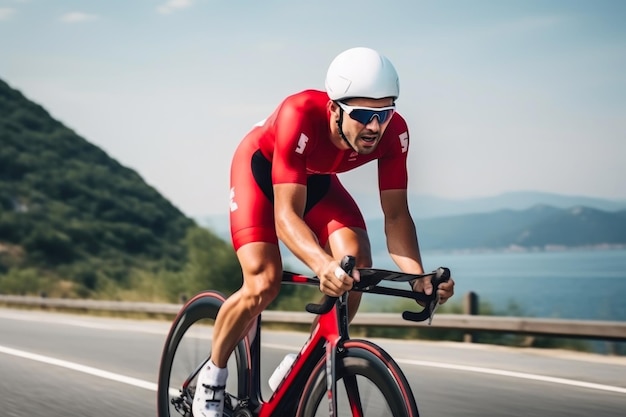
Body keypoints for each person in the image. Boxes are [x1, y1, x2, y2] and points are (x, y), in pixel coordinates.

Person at [192, 46, 456, 417]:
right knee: (263, 281)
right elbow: (286, 217)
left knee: (356, 263)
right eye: (363, 115)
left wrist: (418, 278)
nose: (375, 127)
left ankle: (307, 357)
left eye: (384, 113)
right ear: (334, 109)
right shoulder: (298, 114)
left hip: (314, 180)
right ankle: (212, 378)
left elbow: (396, 217)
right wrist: (321, 265)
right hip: (259, 172)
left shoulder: (395, 134)